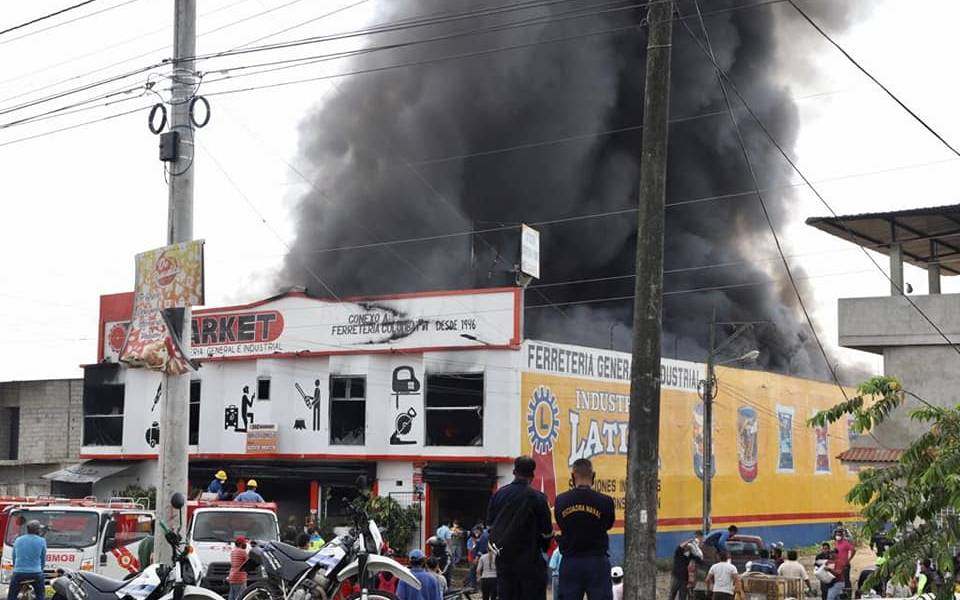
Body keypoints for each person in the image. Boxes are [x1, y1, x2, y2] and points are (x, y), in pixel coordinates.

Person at [486, 456, 553, 600]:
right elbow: (547, 534)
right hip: (531, 564)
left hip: (505, 563)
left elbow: (490, 528)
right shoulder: (538, 498)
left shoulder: (499, 495)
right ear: (532, 475)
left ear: (514, 472)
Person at [553, 458, 615, 600]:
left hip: (571, 561)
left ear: (573, 476)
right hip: (597, 561)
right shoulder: (605, 501)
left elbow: (561, 523)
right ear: (593, 476)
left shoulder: (561, 501)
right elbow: (608, 524)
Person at [7, 520, 46, 600]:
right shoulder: (42, 541)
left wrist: (17, 568)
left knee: (12, 595)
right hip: (36, 573)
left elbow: (14, 556)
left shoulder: (18, 540)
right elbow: (43, 558)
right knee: (40, 594)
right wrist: (41, 569)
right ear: (37, 530)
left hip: (19, 573)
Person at [669, 530, 704, 600]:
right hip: (676, 577)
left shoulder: (690, 555)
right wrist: (689, 541)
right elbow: (680, 546)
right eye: (687, 547)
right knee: (672, 595)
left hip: (685, 580)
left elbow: (700, 560)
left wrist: (697, 547)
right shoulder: (679, 552)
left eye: (689, 547)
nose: (688, 548)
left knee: (682, 597)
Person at [832, 528, 856, 599]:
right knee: (839, 580)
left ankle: (848, 595)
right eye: (837, 535)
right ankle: (842, 594)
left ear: (842, 536)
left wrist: (849, 559)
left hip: (845, 565)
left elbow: (853, 550)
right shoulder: (836, 543)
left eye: (839, 535)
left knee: (846, 580)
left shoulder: (845, 543)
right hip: (838, 565)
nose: (838, 536)